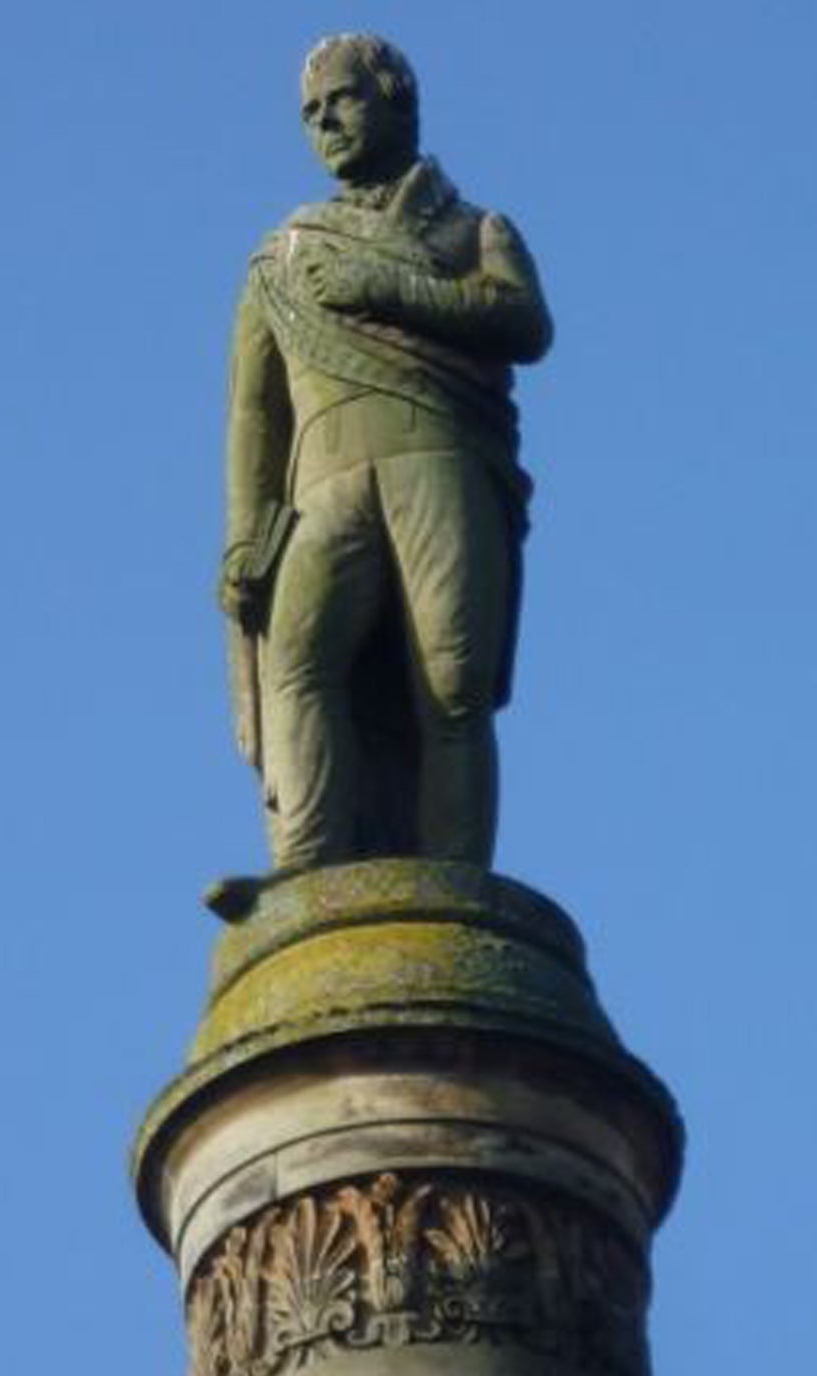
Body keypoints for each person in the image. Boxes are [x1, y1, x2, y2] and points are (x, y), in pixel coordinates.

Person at [215, 33, 552, 900]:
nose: (325, 122)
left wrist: (389, 289)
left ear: (397, 98)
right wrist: (247, 530)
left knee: (451, 681)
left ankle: (452, 887)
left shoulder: (473, 228)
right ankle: (306, 863)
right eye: (311, 113)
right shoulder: (280, 257)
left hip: (439, 459)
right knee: (299, 657)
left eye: (343, 99)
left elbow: (523, 323)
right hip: (322, 483)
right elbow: (256, 410)